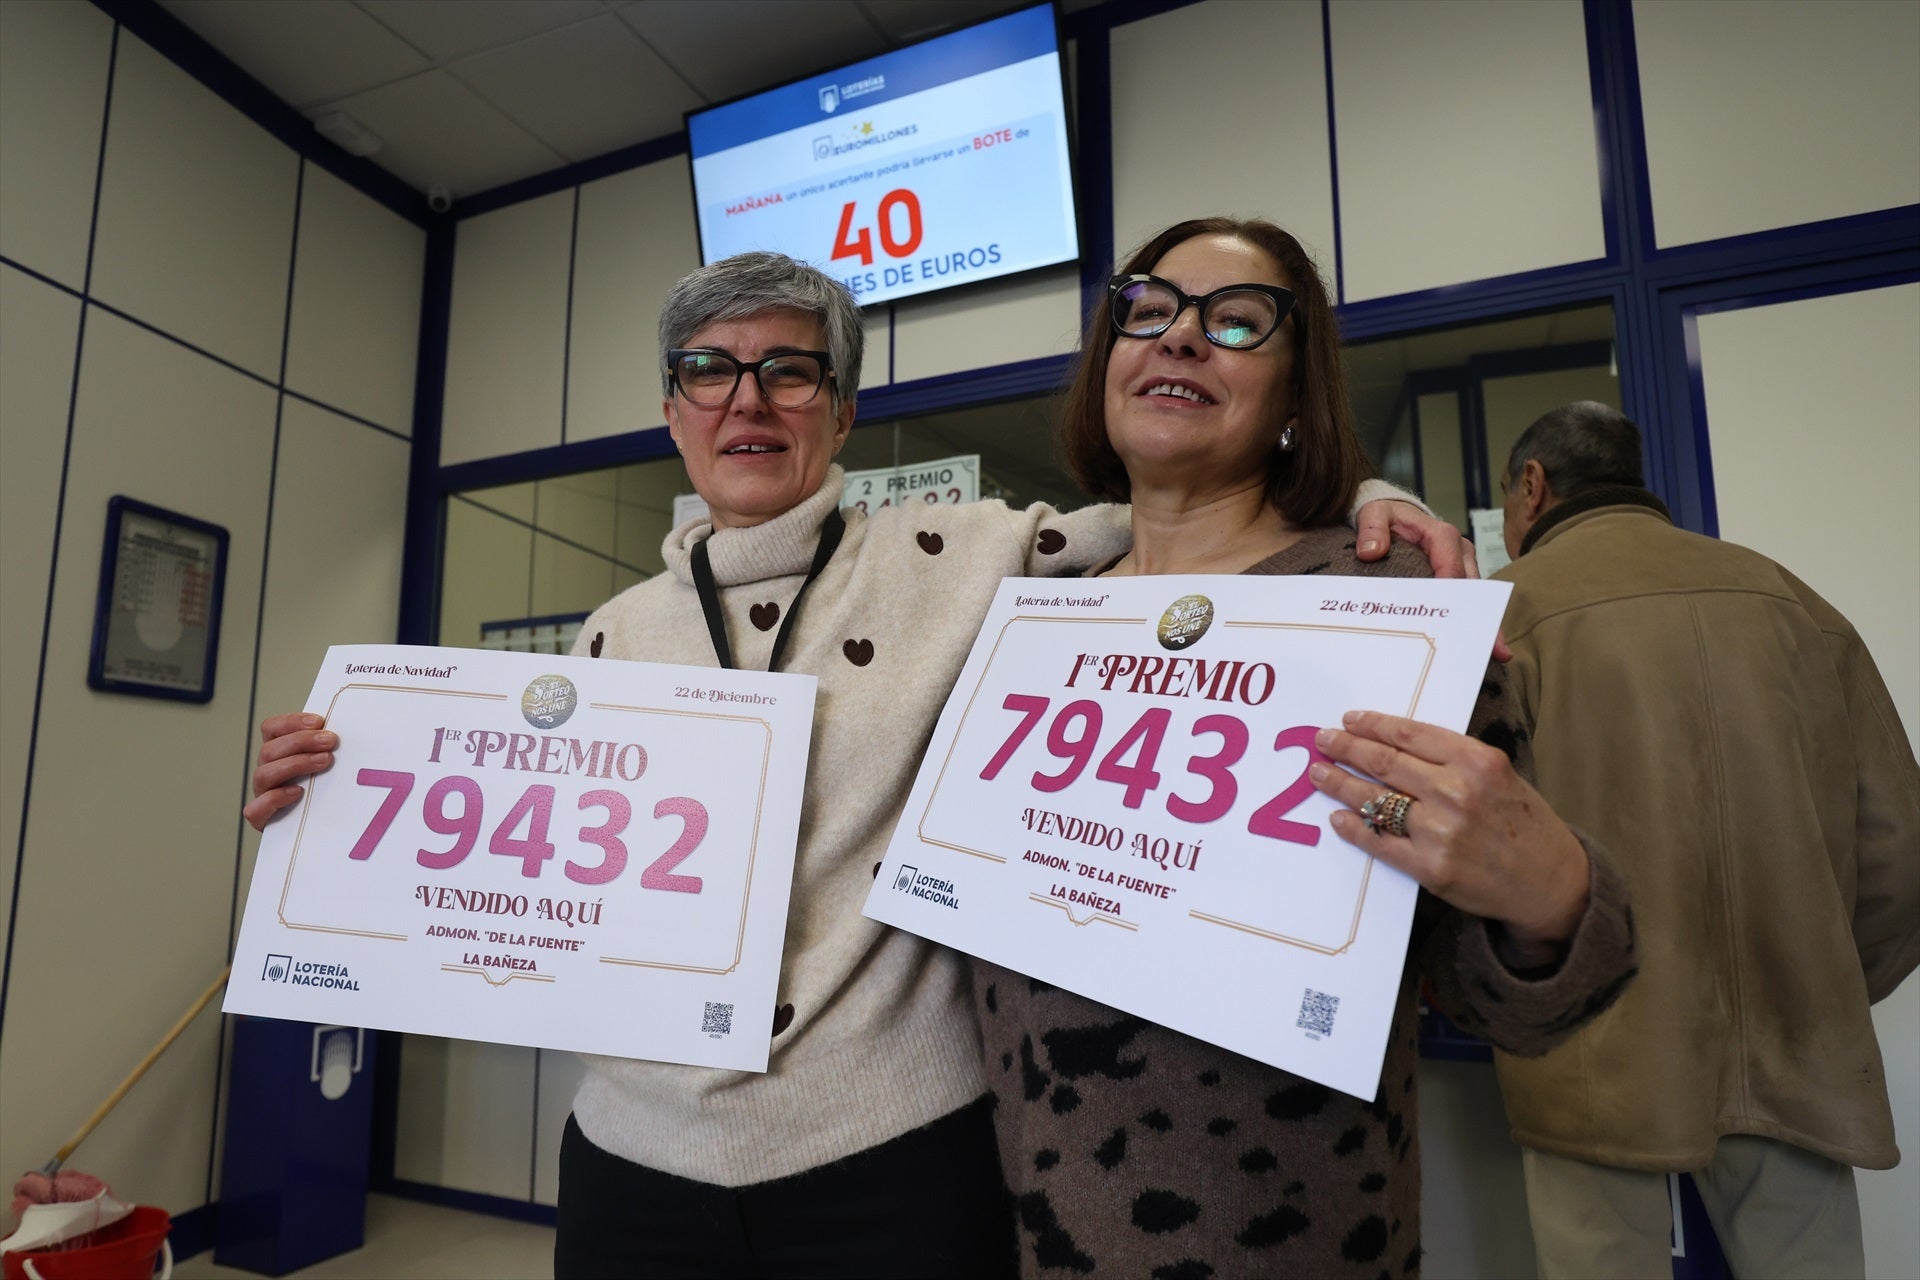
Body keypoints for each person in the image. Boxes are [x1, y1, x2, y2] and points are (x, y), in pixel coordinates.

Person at [243, 250, 1476, 1278]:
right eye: (709, 372)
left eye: (791, 370)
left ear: (840, 412)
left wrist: (1361, 490)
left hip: (896, 1151)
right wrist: (342, 789)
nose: (749, 401)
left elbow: (1179, 521)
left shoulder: (971, 551)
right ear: (672, 410)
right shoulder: (610, 631)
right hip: (629, 1155)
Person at [972, 219, 1639, 1278]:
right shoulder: (1035, 612)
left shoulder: (1388, 603)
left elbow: (1478, 979)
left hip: (1276, 1230)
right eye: (1149, 310)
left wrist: (1553, 897)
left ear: (1296, 398)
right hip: (1009, 1213)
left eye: (1237, 321)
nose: (1181, 337)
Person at [1488, 401, 1918, 1280]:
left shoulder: (1506, 616)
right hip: (1796, 1031)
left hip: (1593, 1045)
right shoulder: (1792, 597)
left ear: (1532, 487)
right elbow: (1902, 848)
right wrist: (1821, 980)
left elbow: (1479, 843)